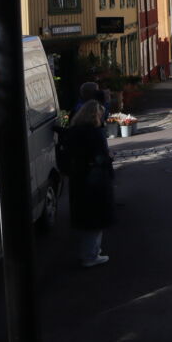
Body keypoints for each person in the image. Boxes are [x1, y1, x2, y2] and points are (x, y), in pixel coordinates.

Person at [63, 100, 115, 268]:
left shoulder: (73, 131)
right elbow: (100, 157)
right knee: (96, 218)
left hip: (78, 178)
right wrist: (109, 158)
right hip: (94, 179)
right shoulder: (95, 132)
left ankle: (91, 251)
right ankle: (90, 255)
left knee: (86, 217)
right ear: (95, 115)